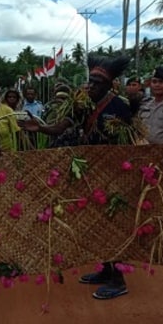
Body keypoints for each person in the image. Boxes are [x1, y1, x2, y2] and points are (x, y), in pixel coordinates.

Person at [19, 55, 134, 299]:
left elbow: (129, 145)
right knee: (96, 223)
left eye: (96, 84)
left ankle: (118, 279)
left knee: (111, 225)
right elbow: (63, 126)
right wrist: (41, 128)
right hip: (90, 173)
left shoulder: (120, 107)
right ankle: (105, 269)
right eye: (89, 82)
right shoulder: (82, 104)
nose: (90, 86)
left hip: (112, 175)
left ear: (109, 86)